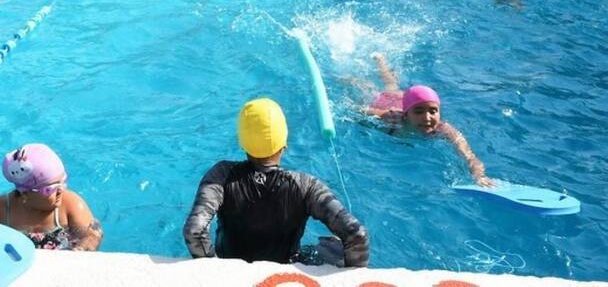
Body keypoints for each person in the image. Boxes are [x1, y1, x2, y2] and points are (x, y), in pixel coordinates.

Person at [183, 98, 369, 266]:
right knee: (333, 245)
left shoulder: (221, 174)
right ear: (284, 142)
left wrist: (217, 272)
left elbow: (195, 232)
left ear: (243, 142)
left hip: (231, 266)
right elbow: (357, 235)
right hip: (285, 268)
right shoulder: (307, 186)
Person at [363, 54, 494, 187]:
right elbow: (355, 112)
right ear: (406, 114)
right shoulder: (391, 119)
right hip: (385, 100)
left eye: (433, 111)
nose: (427, 118)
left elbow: (469, 156)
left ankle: (381, 60)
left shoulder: (444, 129)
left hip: (406, 100)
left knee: (392, 85)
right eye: (419, 112)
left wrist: (479, 176)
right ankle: (375, 65)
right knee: (376, 87)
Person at [0, 143, 103, 251]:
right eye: (51, 188)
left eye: (62, 182)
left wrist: (81, 249)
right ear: (25, 193)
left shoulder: (71, 205)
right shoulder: (0, 210)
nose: (61, 190)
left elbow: (92, 236)